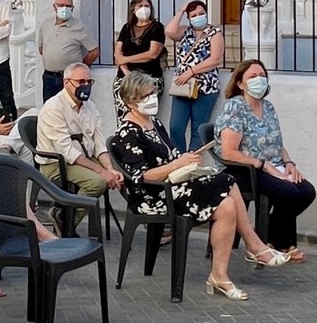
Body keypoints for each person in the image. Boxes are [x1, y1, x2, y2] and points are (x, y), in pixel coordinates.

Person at [109, 69, 286, 298]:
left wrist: (189, 163)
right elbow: (142, 177)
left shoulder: (155, 124)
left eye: (153, 93)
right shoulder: (127, 132)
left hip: (174, 186)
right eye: (145, 96)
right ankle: (254, 245)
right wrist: (177, 166)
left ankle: (219, 276)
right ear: (131, 101)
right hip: (153, 195)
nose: (152, 99)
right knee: (226, 180)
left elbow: (173, 157)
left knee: (227, 206)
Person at [217, 60, 314, 261]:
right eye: (252, 77)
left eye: (262, 75)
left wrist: (289, 164)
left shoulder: (268, 107)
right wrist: (262, 164)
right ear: (240, 83)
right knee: (287, 192)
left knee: (305, 191)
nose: (259, 80)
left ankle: (265, 237)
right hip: (244, 170)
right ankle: (281, 244)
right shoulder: (235, 108)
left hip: (274, 166)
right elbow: (228, 152)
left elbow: (278, 144)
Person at [36, 62, 123, 200]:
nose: (86, 86)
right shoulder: (53, 108)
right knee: (97, 183)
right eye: (81, 81)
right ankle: (65, 218)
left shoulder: (90, 106)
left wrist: (109, 168)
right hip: (57, 164)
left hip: (84, 156)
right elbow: (67, 152)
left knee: (119, 173)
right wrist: (101, 171)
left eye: (89, 82)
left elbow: (99, 143)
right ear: (66, 83)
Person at [165, 1, 224, 151]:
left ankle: (192, 162)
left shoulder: (215, 34)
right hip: (182, 86)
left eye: (201, 14)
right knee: (176, 127)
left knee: (198, 129)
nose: (198, 17)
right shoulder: (186, 31)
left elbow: (215, 59)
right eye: (194, 15)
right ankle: (180, 159)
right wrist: (181, 10)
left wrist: (191, 72)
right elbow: (169, 32)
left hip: (205, 87)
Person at [37, 0, 98, 102]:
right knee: (50, 109)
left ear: (72, 8)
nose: (64, 8)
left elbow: (94, 51)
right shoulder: (45, 25)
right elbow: (41, 48)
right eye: (61, 5)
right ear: (54, 7)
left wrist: (80, 66)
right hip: (49, 77)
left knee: (71, 108)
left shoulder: (79, 27)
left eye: (68, 6)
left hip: (70, 79)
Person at [113, 0, 166, 109]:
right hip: (125, 78)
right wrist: (127, 72)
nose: (143, 8)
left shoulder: (157, 27)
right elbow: (118, 53)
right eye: (140, 5)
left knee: (145, 112)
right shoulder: (126, 28)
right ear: (133, 8)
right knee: (124, 114)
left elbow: (152, 53)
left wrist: (126, 59)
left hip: (149, 77)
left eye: (146, 6)